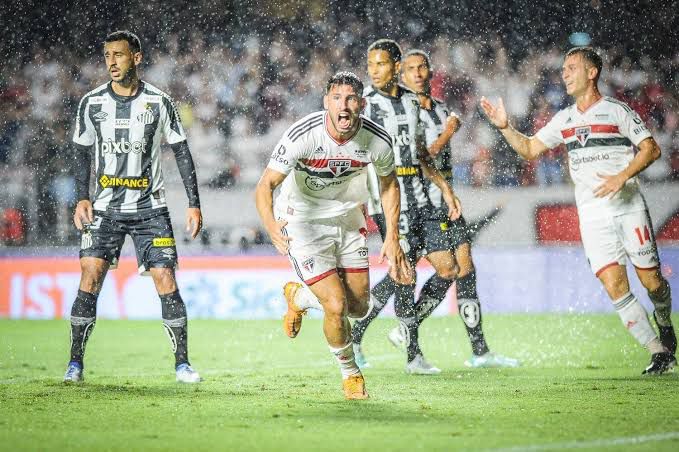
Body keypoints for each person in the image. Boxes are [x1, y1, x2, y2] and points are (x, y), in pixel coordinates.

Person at [480, 46, 676, 374]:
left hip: (627, 207)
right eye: (564, 69)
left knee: (653, 282)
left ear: (592, 72)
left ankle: (664, 321)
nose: (565, 74)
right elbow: (529, 149)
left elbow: (651, 148)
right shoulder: (565, 119)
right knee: (615, 285)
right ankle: (658, 352)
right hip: (592, 215)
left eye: (572, 68)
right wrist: (504, 127)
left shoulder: (616, 111)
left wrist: (622, 176)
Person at [255, 71, 412, 399]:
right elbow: (265, 185)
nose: (344, 106)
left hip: (348, 219)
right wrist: (271, 226)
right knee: (337, 305)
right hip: (303, 223)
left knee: (358, 308)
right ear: (326, 102)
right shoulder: (304, 134)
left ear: (362, 104)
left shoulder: (377, 140)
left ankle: (298, 297)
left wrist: (392, 236)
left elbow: (388, 185)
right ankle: (350, 374)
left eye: (351, 99)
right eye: (337, 99)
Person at [64, 31, 203, 383]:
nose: (111, 62)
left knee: (166, 278)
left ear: (136, 58)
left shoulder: (159, 102)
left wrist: (193, 203)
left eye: (119, 55)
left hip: (150, 209)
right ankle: (75, 364)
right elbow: (80, 152)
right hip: (105, 209)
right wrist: (81, 196)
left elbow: (181, 151)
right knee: (90, 275)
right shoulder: (92, 103)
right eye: (107, 55)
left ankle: (183, 365)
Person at [384, 49, 519, 368]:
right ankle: (404, 332)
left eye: (422, 68)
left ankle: (480, 351)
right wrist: (448, 132)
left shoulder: (443, 109)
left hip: (445, 199)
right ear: (402, 76)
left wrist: (448, 188)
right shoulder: (404, 111)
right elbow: (418, 156)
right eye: (411, 69)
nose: (417, 74)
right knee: (424, 272)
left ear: (431, 72)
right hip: (418, 203)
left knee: (465, 268)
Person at [348, 39, 462, 374]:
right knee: (405, 277)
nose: (374, 71)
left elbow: (421, 153)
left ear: (396, 66)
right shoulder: (364, 104)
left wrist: (445, 188)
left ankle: (364, 332)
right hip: (388, 202)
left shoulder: (413, 102)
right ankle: (413, 356)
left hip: (423, 198)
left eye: (381, 64)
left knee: (448, 269)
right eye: (370, 65)